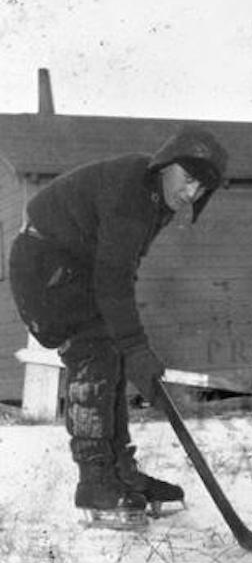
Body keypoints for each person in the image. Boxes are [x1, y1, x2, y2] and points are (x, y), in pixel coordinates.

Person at [9, 128, 228, 522]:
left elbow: (121, 271)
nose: (191, 193)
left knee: (112, 352)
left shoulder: (155, 197)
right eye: (189, 178)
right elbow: (113, 278)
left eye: (201, 187)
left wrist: (133, 350)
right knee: (94, 349)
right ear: (166, 164)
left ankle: (119, 473)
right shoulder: (133, 193)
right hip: (45, 263)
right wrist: (138, 348)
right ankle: (95, 481)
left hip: (72, 265)